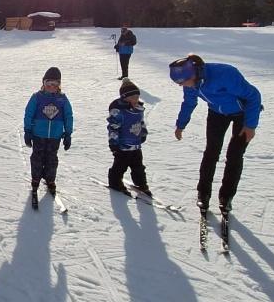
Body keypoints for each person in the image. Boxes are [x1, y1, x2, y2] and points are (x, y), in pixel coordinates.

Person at [169, 54, 262, 214]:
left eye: (182, 82)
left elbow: (254, 96)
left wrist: (250, 125)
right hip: (216, 114)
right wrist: (181, 125)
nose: (181, 86)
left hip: (242, 114)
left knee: (234, 155)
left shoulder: (225, 74)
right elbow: (189, 102)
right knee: (211, 152)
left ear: (194, 74)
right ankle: (203, 193)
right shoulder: (190, 83)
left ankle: (226, 197)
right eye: (178, 83)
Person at [23, 67, 73, 202]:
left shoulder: (62, 99)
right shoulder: (37, 97)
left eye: (55, 84)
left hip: (55, 136)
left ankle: (50, 180)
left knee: (51, 159)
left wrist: (68, 133)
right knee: (37, 158)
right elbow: (29, 114)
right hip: (38, 134)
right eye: (48, 84)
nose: (51, 87)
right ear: (43, 83)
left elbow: (68, 116)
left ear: (59, 85)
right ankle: (36, 179)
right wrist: (28, 131)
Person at [106, 78, 148, 196]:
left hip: (135, 145)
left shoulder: (138, 110)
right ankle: (115, 182)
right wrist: (113, 143)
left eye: (137, 97)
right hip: (122, 146)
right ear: (125, 98)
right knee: (119, 167)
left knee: (138, 167)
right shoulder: (118, 112)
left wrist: (143, 133)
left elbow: (141, 123)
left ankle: (141, 184)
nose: (136, 100)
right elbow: (113, 127)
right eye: (133, 97)